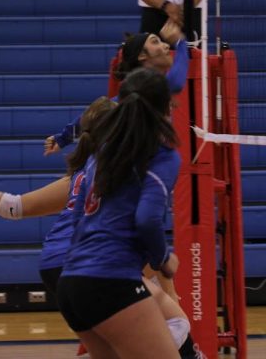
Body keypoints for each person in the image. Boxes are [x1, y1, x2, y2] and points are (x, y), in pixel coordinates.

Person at [0, 96, 201, 359]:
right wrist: (166, 287)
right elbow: (142, 231)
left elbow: (14, 206)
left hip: (57, 268)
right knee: (177, 325)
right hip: (94, 265)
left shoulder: (83, 175)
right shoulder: (130, 172)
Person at [56, 68, 181, 359]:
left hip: (71, 283)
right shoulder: (161, 155)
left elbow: (77, 219)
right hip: (110, 281)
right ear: (166, 108)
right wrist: (163, 259)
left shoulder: (103, 151)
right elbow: (147, 218)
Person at [43, 19, 187, 156]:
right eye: (156, 42)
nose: (166, 45)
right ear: (142, 55)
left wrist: (64, 138)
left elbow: (93, 116)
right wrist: (180, 43)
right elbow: (175, 81)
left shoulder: (136, 91)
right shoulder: (145, 89)